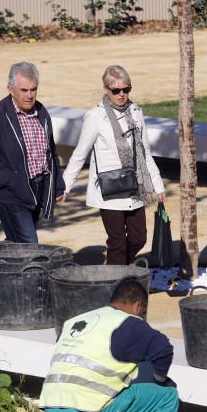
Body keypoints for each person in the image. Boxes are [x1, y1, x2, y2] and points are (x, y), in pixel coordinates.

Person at [25, 279, 178, 412]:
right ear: (138, 305)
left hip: (55, 411)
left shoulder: (76, 320)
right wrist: (159, 378)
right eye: (142, 312)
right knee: (167, 395)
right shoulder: (127, 322)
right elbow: (163, 349)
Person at [61, 65, 165, 265]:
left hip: (135, 186)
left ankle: (116, 271)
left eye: (126, 89)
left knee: (138, 239)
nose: (121, 94)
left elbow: (145, 152)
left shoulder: (136, 112)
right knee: (117, 243)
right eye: (116, 90)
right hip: (110, 189)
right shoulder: (95, 117)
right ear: (106, 89)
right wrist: (65, 185)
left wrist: (158, 184)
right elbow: (80, 153)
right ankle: (118, 287)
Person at [0, 61, 66, 244]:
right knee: (30, 246)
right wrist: (11, 179)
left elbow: (50, 151)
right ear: (10, 89)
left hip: (38, 188)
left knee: (18, 242)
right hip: (12, 194)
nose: (30, 95)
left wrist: (57, 184)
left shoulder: (41, 112)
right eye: (24, 90)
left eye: (33, 89)